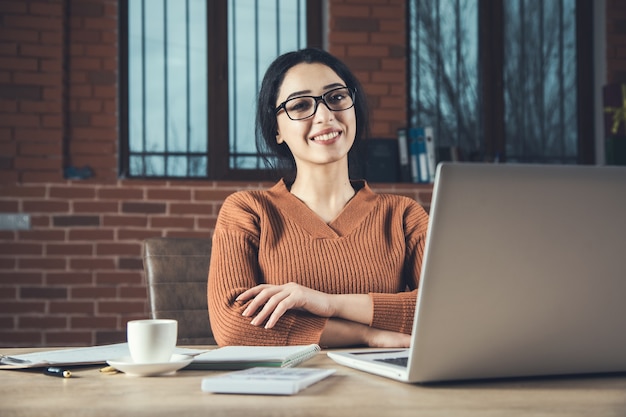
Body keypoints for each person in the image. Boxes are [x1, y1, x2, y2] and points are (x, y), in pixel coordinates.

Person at [207, 48, 429, 348]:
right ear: (276, 130)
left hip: (386, 390)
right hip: (283, 391)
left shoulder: (403, 215)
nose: (325, 116)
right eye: (300, 105)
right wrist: (366, 335)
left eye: (336, 97)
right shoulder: (248, 211)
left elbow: (448, 308)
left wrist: (328, 303)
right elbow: (234, 325)